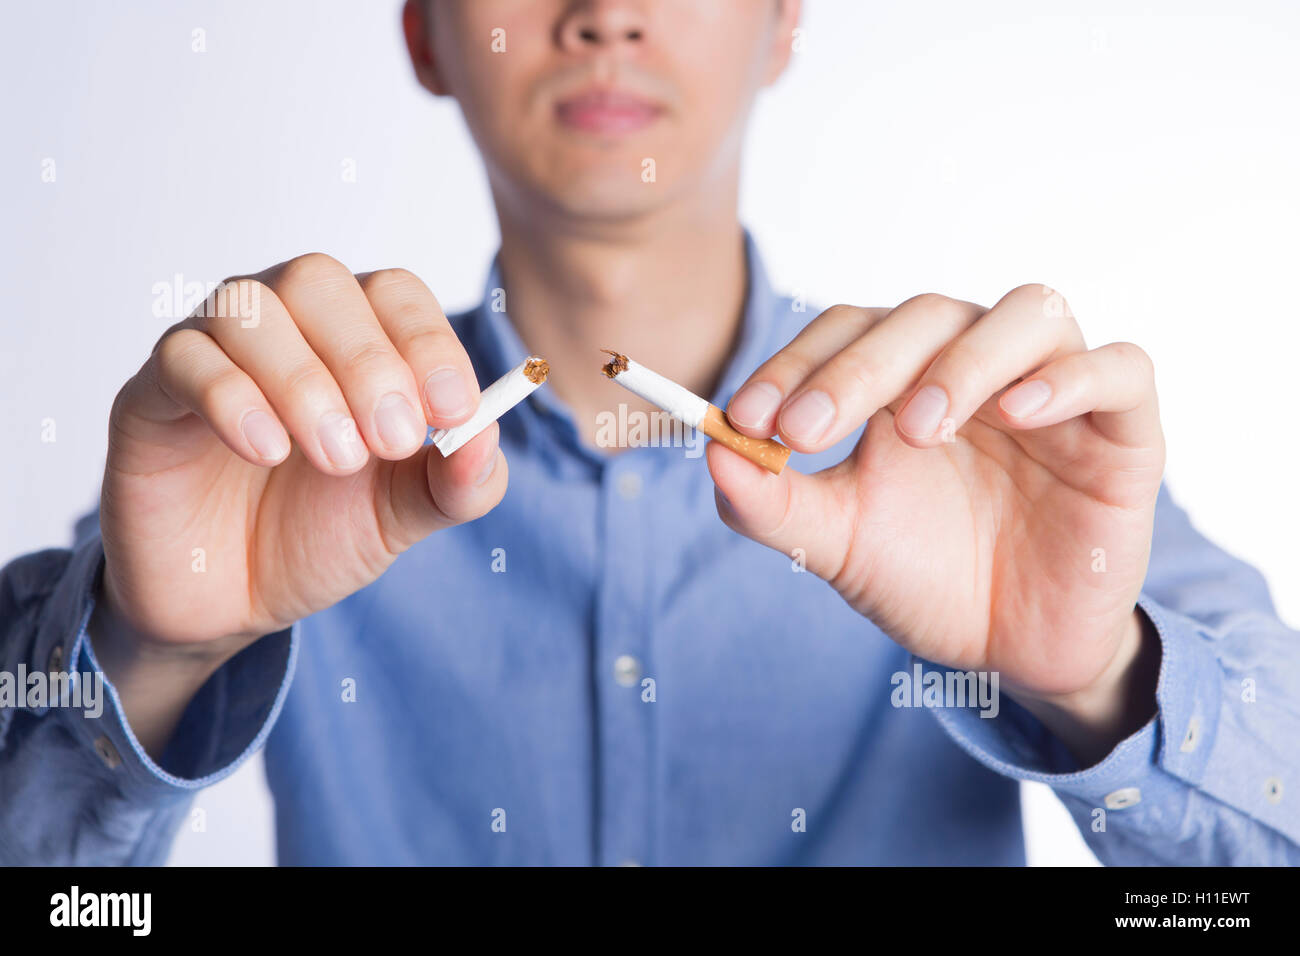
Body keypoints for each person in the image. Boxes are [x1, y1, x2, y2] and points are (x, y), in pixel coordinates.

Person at [1, 0, 1296, 866]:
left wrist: (1100, 680)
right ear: (424, 33)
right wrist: (152, 651)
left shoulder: (976, 454)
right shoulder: (278, 451)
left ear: (784, 19)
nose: (605, 11)